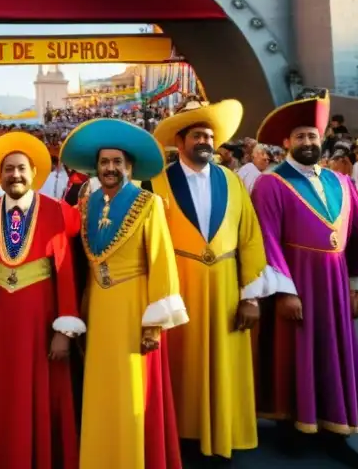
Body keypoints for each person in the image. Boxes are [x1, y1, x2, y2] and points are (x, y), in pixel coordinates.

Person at [250, 91, 358, 467]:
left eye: (312, 136)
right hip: (297, 282)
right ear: (286, 143)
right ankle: (294, 427)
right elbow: (265, 238)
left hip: (335, 283)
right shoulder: (270, 183)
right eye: (300, 137)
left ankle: (335, 428)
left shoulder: (339, 182)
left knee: (334, 352)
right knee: (294, 352)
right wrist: (283, 291)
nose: (307, 142)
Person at [60, 118, 188, 469]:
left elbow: (161, 261)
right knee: (100, 389)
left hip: (134, 310)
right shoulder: (87, 205)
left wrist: (154, 324)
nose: (111, 168)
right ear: (96, 168)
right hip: (99, 310)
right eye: (105, 163)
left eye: (118, 162)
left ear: (129, 168)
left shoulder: (148, 203)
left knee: (131, 389)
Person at [151, 101, 272, 461]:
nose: (205, 141)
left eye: (209, 135)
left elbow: (250, 237)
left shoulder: (232, 181)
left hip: (225, 290)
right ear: (180, 140)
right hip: (177, 289)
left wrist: (251, 297)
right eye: (197, 135)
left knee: (223, 367)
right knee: (179, 366)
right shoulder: (156, 181)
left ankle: (221, 433)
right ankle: (182, 437)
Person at [0, 132, 83, 469]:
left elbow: (66, 272)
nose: (15, 175)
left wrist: (65, 328)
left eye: (21, 169)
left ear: (34, 173)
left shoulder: (59, 212)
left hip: (42, 325)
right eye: (8, 169)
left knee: (42, 395)